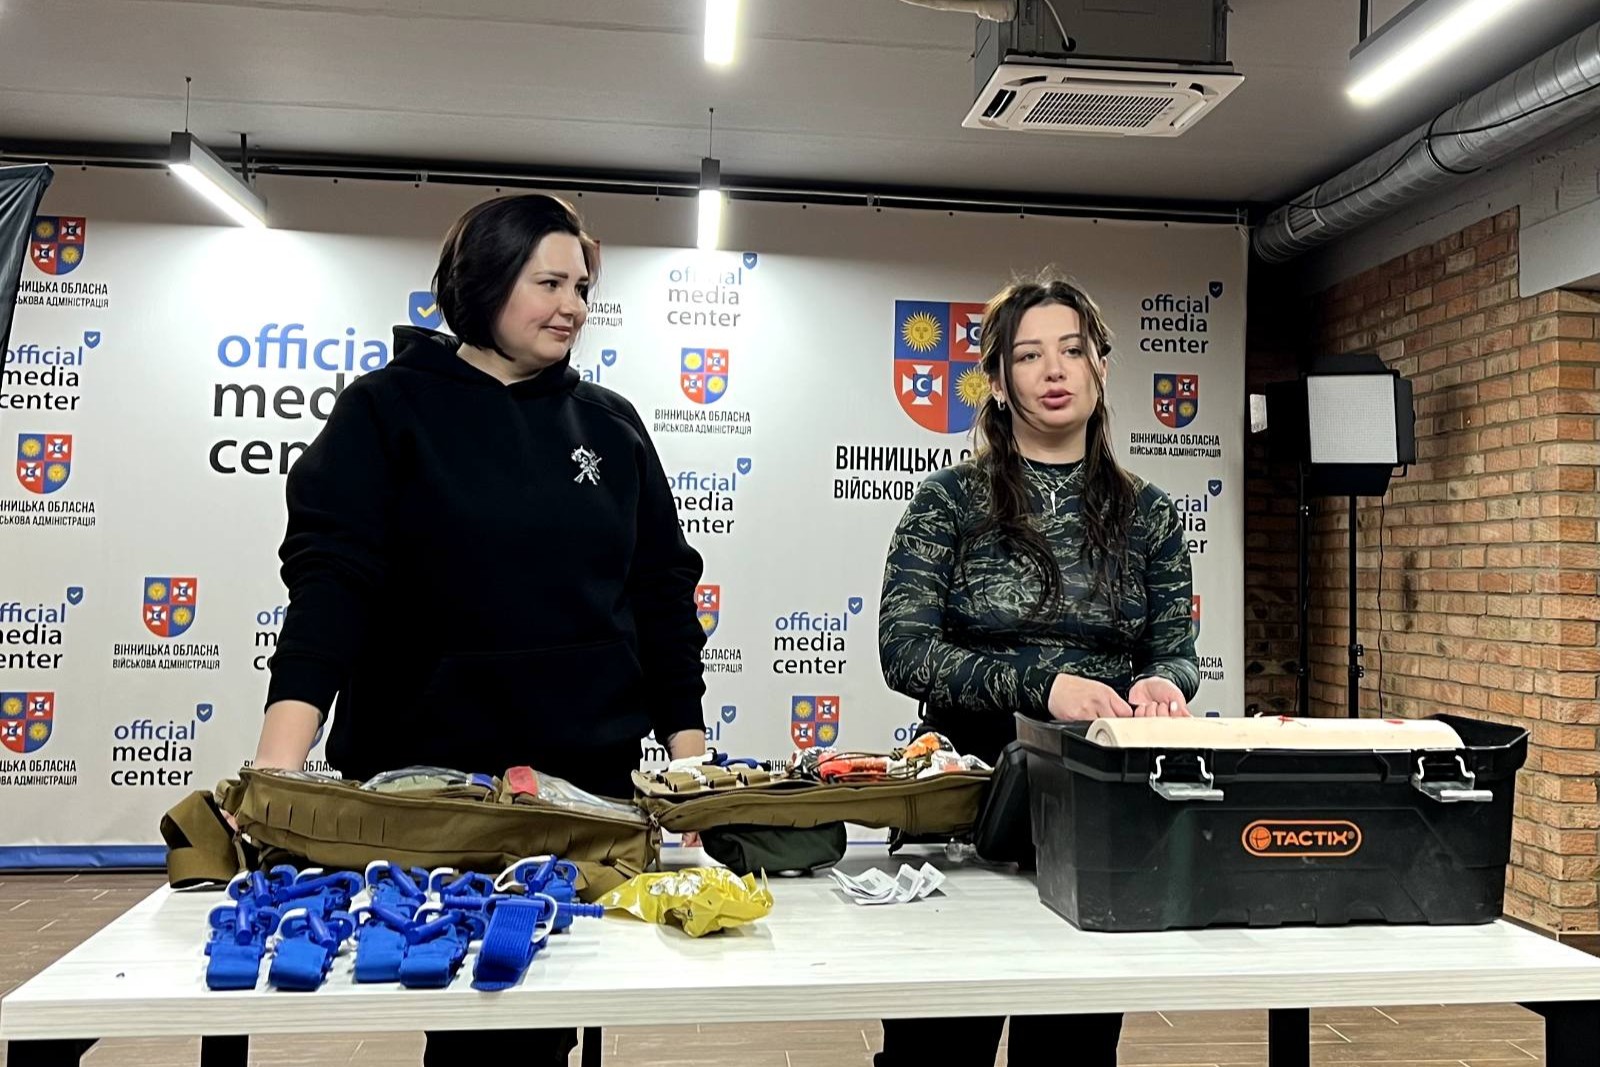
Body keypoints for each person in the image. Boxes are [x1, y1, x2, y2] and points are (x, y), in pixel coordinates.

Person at [250, 193, 709, 1065]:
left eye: (582, 287)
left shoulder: (610, 424)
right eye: (549, 283)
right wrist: (277, 770)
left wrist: (691, 766)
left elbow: (660, 594)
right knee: (468, 1021)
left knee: (552, 1019)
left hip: (583, 789)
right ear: (485, 281)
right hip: (423, 785)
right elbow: (332, 586)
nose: (573, 306)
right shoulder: (385, 410)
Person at [875, 272, 1200, 1066]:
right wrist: (1044, 687)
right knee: (936, 1056)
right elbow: (904, 651)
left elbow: (1174, 649)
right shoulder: (948, 501)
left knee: (1072, 1054)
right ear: (997, 380)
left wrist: (1165, 683)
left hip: (1095, 811)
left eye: (1072, 350)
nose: (1054, 370)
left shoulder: (1151, 513)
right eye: (1028, 355)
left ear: (1100, 368)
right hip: (963, 802)